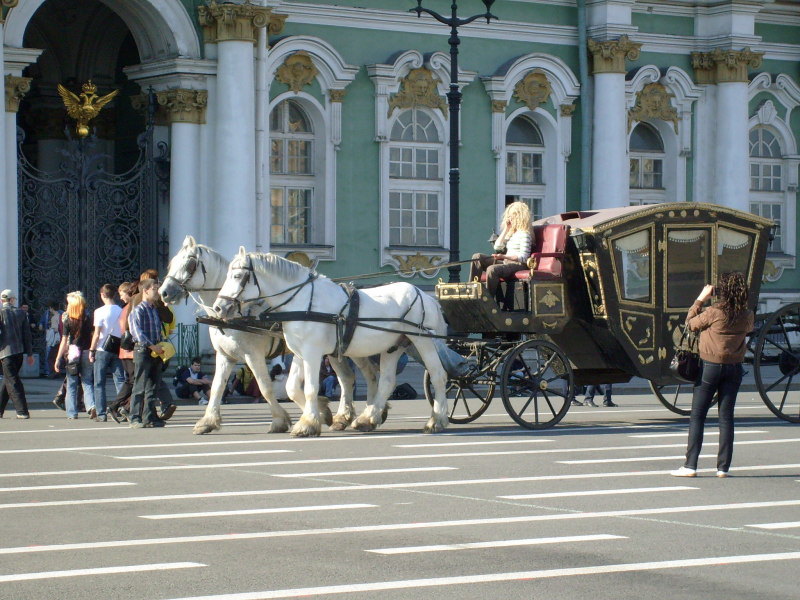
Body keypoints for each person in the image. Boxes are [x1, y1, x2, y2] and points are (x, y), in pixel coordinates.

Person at [670, 272, 754, 479]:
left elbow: (690, 324)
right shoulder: (746, 314)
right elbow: (749, 330)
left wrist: (700, 298)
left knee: (698, 416)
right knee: (726, 418)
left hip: (710, 366)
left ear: (721, 291)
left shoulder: (714, 312)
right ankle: (723, 468)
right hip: (734, 368)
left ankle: (690, 466)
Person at [468, 201, 532, 303]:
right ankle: (471, 289)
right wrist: (506, 229)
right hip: (507, 263)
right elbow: (497, 247)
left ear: (519, 217)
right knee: (477, 257)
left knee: (492, 269)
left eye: (512, 216)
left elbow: (524, 257)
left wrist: (504, 257)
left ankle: (488, 300)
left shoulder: (525, 234)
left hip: (518, 265)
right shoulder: (512, 234)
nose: (509, 219)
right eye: (509, 216)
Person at [128, 278, 167, 428]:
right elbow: (137, 333)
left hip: (155, 351)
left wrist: (161, 345)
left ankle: (149, 417)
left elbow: (158, 331)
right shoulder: (138, 310)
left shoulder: (154, 309)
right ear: (145, 290)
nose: (157, 292)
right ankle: (135, 417)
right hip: (143, 350)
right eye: (154, 289)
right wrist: (152, 346)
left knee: (153, 386)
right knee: (140, 385)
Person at [54, 291, 97, 420]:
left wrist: (58, 358)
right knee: (87, 381)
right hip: (86, 350)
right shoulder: (88, 318)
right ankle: (91, 406)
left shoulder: (68, 320)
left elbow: (64, 341)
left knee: (72, 382)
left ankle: (72, 412)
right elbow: (92, 334)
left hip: (73, 351)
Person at [89, 284, 125, 420]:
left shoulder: (99, 312)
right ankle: (122, 408)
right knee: (120, 380)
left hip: (102, 349)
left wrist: (92, 350)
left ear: (103, 295)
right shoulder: (121, 310)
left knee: (99, 382)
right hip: (117, 347)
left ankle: (101, 413)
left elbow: (97, 334)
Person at [0, 289, 34, 419]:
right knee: (8, 380)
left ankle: (22, 411)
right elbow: (27, 335)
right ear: (12, 300)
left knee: (13, 381)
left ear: (2, 300)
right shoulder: (21, 313)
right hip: (19, 352)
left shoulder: (1, 313)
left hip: (5, 352)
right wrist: (30, 354)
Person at [109, 281, 136, 423]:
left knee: (132, 380)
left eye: (122, 294)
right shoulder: (128, 308)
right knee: (133, 381)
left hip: (125, 350)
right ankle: (117, 406)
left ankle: (125, 407)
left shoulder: (127, 308)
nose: (121, 297)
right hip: (129, 351)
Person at [43, 302, 63, 378]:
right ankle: (58, 371)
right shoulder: (61, 315)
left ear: (51, 308)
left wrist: (49, 330)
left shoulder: (54, 317)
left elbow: (55, 329)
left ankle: (52, 372)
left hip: (54, 340)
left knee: (50, 357)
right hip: (60, 339)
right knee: (57, 356)